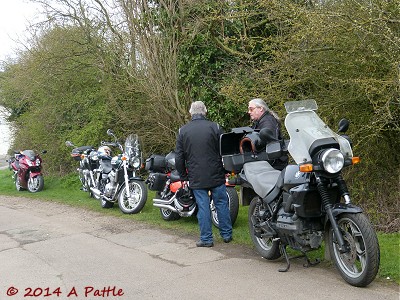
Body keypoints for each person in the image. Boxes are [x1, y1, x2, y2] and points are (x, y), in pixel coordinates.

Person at [175, 101, 232, 247]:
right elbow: (225, 151)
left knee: (203, 206)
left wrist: (183, 177)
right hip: (216, 173)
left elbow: (179, 157)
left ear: (191, 112)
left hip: (196, 175)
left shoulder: (183, 131)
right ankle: (226, 235)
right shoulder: (216, 127)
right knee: (221, 203)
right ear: (205, 111)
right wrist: (226, 171)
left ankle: (206, 239)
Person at [248, 98, 288, 169]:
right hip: (270, 162)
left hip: (275, 163)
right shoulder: (260, 121)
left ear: (260, 108)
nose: (249, 112)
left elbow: (267, 142)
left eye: (251, 109)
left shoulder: (268, 121)